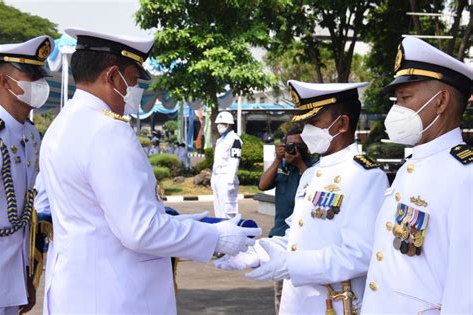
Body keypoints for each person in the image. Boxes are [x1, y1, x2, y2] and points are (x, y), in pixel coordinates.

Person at [38, 28, 261, 314]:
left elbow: (95, 213)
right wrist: (216, 238)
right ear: (112, 77)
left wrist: (193, 223)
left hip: (76, 291)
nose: (135, 91)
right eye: (132, 80)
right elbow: (140, 231)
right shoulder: (108, 131)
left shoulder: (62, 124)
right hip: (116, 295)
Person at [215, 80, 389, 314]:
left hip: (333, 305)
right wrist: (257, 252)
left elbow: (361, 254)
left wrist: (292, 265)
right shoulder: (312, 174)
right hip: (297, 304)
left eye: (314, 122)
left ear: (342, 124)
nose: (307, 130)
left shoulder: (365, 176)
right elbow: (296, 237)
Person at [361, 37, 472, 314]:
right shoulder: (412, 166)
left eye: (405, 98)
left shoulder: (465, 176)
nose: (396, 109)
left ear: (441, 101)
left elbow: (465, 292)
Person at [0, 35, 53, 315]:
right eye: (30, 76)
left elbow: (25, 212)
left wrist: (27, 276)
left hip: (14, 275)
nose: (38, 85)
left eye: (40, 76)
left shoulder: (31, 134)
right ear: (5, 82)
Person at [258, 125, 315, 313]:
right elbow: (262, 185)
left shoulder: (313, 169)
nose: (294, 149)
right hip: (280, 237)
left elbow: (314, 188)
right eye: (290, 145)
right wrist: (277, 159)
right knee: (281, 296)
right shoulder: (282, 167)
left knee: (303, 295)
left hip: (305, 243)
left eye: (298, 145)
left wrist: (299, 164)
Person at [211, 111, 242, 218]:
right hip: (217, 177)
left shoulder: (235, 140)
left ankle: (231, 233)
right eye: (218, 124)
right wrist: (213, 178)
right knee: (218, 210)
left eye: (222, 124)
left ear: (229, 124)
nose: (219, 126)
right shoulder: (220, 140)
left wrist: (230, 181)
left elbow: (234, 162)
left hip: (227, 179)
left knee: (228, 211)